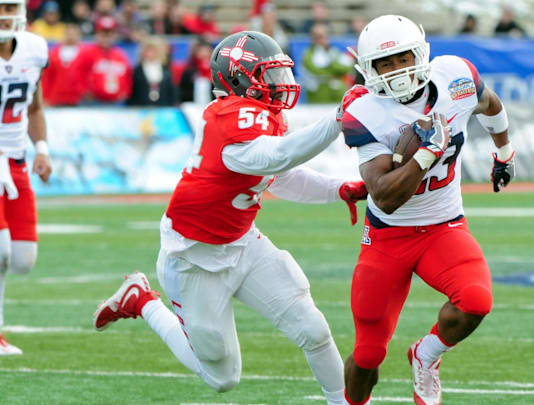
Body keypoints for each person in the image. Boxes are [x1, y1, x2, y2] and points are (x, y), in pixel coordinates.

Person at [92, 31, 369, 404]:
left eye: (279, 73)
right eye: (269, 76)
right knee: (222, 377)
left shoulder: (263, 118)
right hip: (193, 257)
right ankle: (142, 300)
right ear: (240, 78)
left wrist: (338, 189)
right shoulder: (228, 119)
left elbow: (279, 177)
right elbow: (277, 157)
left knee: (312, 327)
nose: (279, 85)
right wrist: (338, 118)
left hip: (242, 241)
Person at [342, 15, 516, 405]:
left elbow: (490, 104)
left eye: (402, 58)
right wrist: (424, 155)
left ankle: (426, 355)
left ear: (420, 54)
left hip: (443, 226)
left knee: (476, 300)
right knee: (368, 353)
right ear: (368, 70)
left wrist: (504, 152)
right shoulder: (364, 110)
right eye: (384, 64)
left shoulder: (455, 75)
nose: (395, 71)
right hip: (388, 237)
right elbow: (384, 196)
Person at [0, 0, 53, 356]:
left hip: (16, 163)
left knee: (22, 258)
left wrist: (43, 149)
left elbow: (33, 105)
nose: (5, 16)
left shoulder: (34, 49)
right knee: (0, 253)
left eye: (9, 7)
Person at [77, 16, 133, 104]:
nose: (106, 37)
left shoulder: (120, 55)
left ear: (115, 35)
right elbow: (78, 75)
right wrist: (84, 91)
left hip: (116, 103)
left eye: (110, 34)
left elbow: (128, 77)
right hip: (93, 103)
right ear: (97, 34)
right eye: (103, 33)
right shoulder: (86, 53)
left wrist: (125, 91)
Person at [302, 23, 353, 104]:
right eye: (317, 37)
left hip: (337, 94)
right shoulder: (308, 54)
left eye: (322, 36)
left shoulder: (334, 51)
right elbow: (314, 69)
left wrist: (330, 65)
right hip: (318, 94)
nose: (320, 40)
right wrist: (334, 72)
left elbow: (347, 67)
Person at [42, 23, 86, 106]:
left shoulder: (85, 54)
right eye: (68, 34)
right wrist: (45, 97)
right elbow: (47, 77)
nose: (70, 36)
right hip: (56, 99)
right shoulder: (54, 53)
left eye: (73, 34)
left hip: (78, 100)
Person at [127, 36, 177, 106]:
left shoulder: (165, 69)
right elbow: (132, 93)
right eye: (147, 51)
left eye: (153, 51)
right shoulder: (137, 70)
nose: (150, 54)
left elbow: (170, 91)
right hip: (142, 108)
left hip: (163, 108)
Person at [178, 37, 213, 104]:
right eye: (201, 51)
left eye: (207, 51)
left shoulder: (216, 71)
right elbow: (183, 91)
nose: (204, 54)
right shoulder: (189, 71)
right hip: (191, 107)